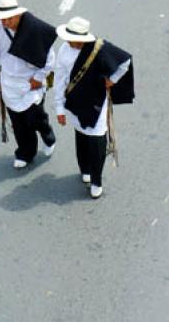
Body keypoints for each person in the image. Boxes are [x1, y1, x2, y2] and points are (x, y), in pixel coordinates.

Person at [54, 16, 134, 199]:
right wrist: (59, 108)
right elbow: (59, 79)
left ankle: (96, 179)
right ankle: (85, 169)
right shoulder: (64, 51)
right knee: (81, 136)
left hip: (97, 104)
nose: (66, 40)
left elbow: (125, 62)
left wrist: (111, 81)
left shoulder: (100, 49)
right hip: (75, 101)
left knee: (97, 140)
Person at [0, 0, 57, 168]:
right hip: (9, 84)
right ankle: (25, 152)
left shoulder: (35, 30)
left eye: (9, 19)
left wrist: (38, 79)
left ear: (18, 16)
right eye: (2, 19)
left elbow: (50, 58)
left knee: (35, 118)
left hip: (31, 83)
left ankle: (48, 136)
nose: (5, 22)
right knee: (18, 123)